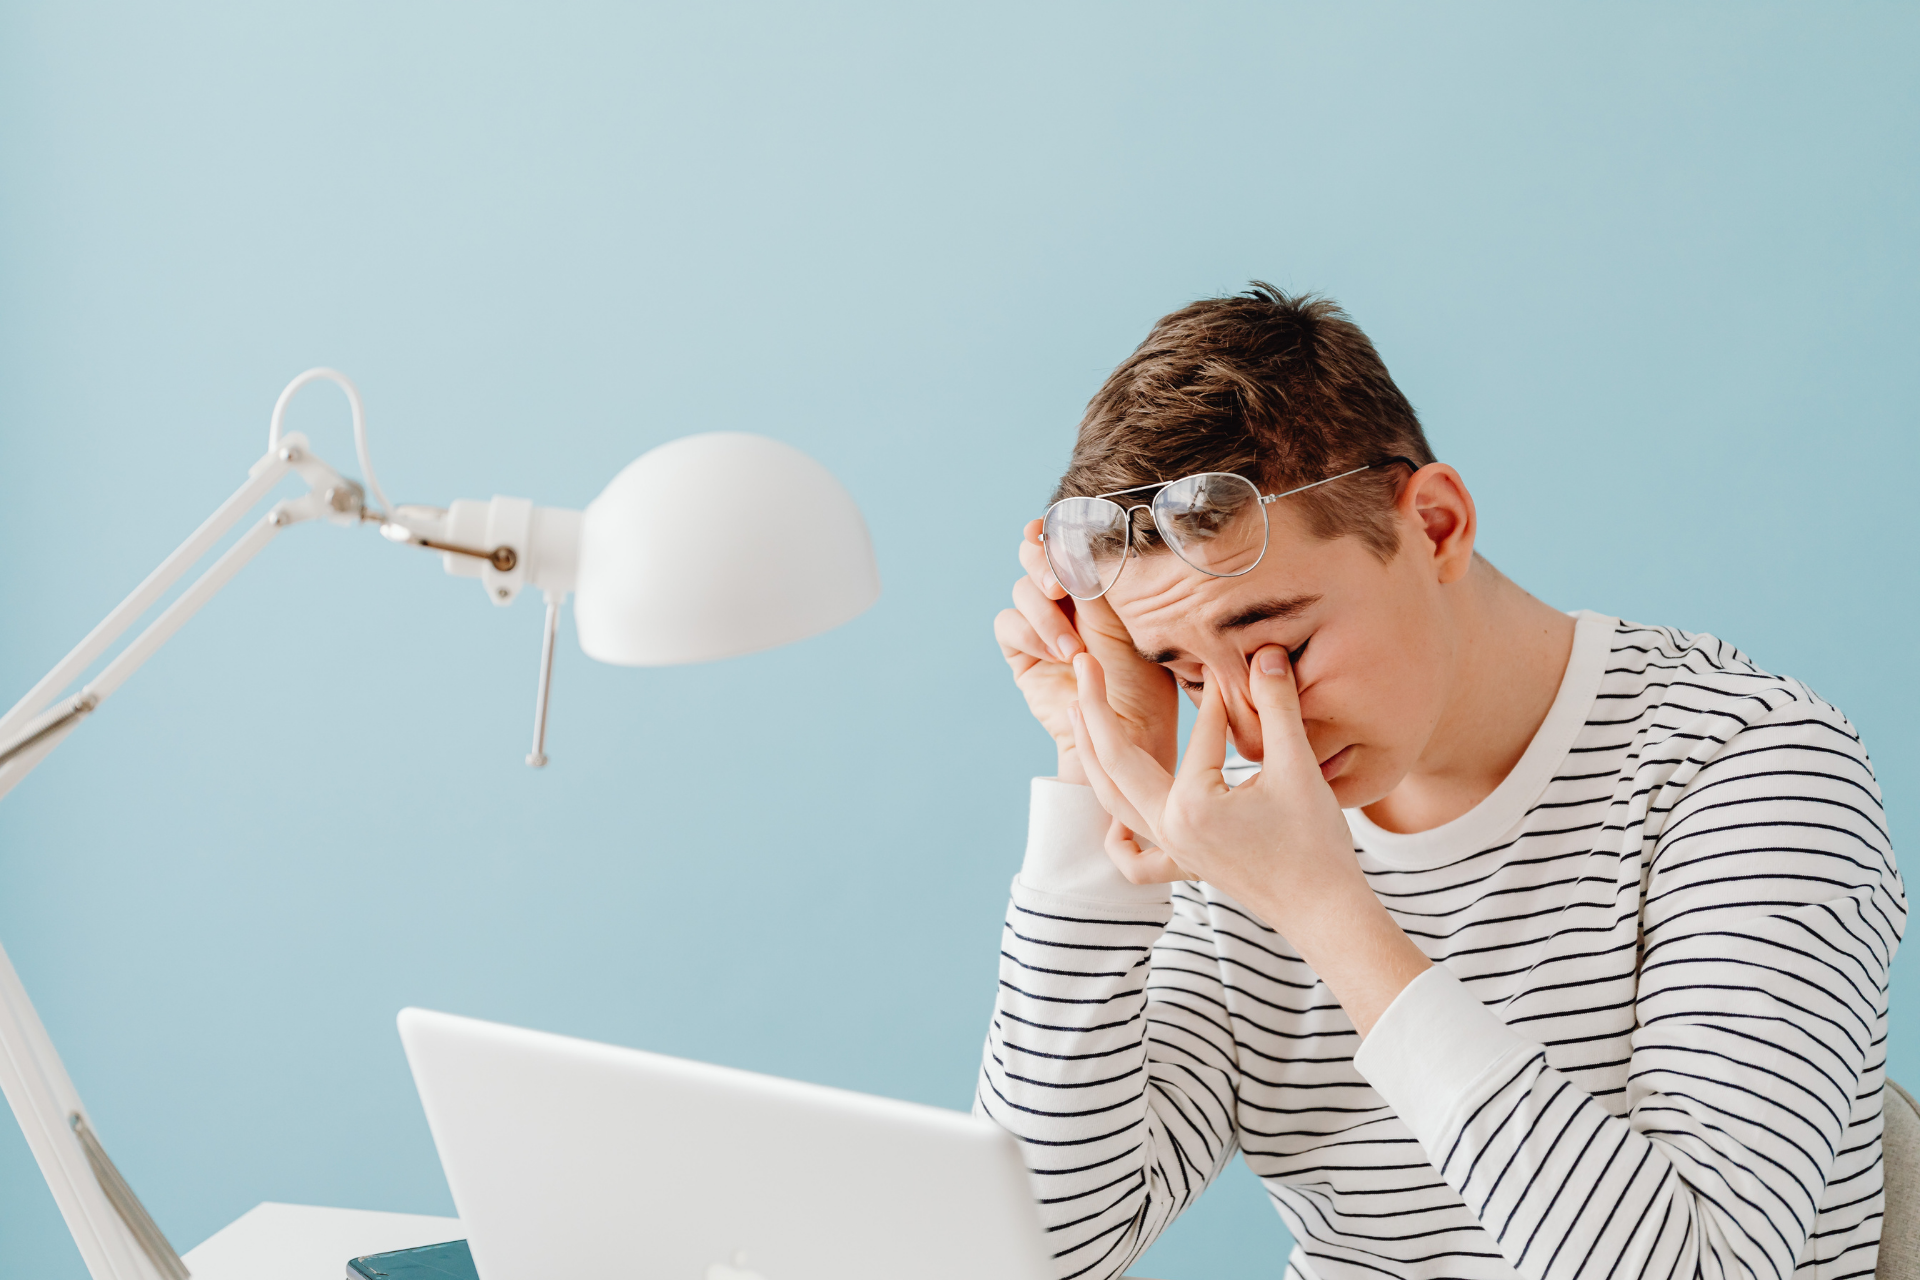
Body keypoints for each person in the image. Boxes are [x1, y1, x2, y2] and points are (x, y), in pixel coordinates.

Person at [978, 283, 1904, 1280]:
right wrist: (1101, 767)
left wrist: (1324, 911)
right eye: (1187, 674)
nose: (1245, 725)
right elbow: (1032, 1257)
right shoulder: (1230, 824)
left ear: (1434, 524)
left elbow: (1706, 1267)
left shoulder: (1746, 769)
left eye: (1282, 646)